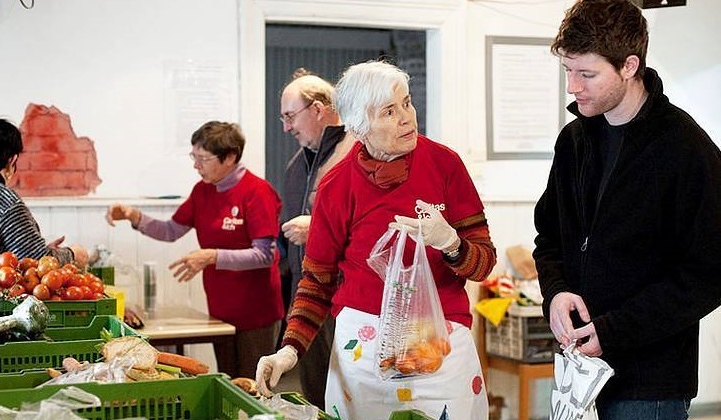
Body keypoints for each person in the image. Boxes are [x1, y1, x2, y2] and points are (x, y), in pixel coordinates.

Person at [256, 61, 497, 419]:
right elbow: (316, 283)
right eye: (388, 111)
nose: (406, 117)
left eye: (407, 103)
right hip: (363, 355)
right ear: (359, 126)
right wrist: (288, 350)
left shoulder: (445, 165)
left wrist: (451, 244)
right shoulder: (337, 186)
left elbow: (484, 263)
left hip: (442, 348)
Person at [533, 1, 721, 419]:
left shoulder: (686, 148)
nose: (572, 86)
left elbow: (709, 273)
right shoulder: (574, 141)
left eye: (587, 74)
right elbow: (549, 237)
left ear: (629, 66)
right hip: (577, 373)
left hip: (648, 383)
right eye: (568, 70)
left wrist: (614, 330)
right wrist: (556, 292)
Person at [106, 121, 284, 379]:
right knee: (229, 381)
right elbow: (170, 231)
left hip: (256, 311)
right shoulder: (203, 191)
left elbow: (265, 255)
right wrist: (133, 215)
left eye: (203, 158)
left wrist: (213, 256)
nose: (196, 165)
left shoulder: (257, 192)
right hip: (220, 310)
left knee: (254, 386)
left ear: (230, 157)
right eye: (194, 157)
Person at [277, 68, 354, 408]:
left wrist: (317, 226)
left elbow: (378, 226)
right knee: (313, 396)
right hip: (305, 295)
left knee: (345, 397)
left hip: (343, 300)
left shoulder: (356, 155)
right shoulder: (297, 163)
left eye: (290, 116)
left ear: (320, 109)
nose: (286, 127)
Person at [0, 118, 88, 267]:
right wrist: (73, 254)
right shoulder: (7, 202)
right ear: (12, 160)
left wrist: (37, 247)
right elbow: (35, 262)